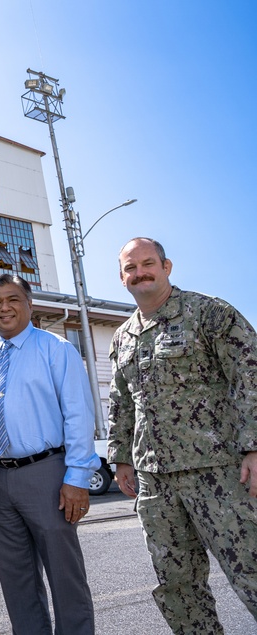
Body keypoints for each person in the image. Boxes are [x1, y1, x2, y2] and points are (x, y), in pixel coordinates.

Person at [109, 237, 257, 632]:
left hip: (218, 471)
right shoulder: (122, 337)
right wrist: (121, 457)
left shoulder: (208, 313)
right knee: (178, 587)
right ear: (122, 278)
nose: (140, 272)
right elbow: (122, 402)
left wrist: (254, 447)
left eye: (147, 263)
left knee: (251, 570)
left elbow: (249, 376)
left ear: (166, 266)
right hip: (155, 480)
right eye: (130, 268)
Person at [0, 274, 97, 634]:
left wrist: (77, 479)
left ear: (30, 305)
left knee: (64, 577)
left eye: (13, 299)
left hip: (47, 474)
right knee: (16, 581)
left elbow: (78, 416)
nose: (4, 307)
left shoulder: (56, 349)